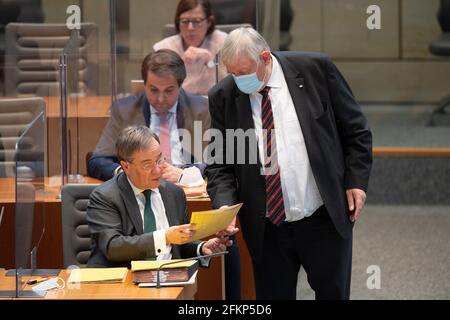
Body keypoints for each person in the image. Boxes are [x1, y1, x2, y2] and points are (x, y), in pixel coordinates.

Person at [205, 28, 373, 299]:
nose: (239, 80)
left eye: (245, 72)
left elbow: (356, 131)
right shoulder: (223, 96)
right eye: (233, 73)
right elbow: (219, 164)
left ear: (266, 57)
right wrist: (224, 206)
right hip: (268, 227)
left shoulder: (315, 70)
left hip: (323, 216)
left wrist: (356, 180)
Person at [86, 126, 231, 267]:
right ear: (126, 167)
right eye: (147, 165)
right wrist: (165, 237)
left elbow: (179, 245)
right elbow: (113, 247)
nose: (157, 171)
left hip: (168, 279)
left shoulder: (174, 193)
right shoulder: (105, 197)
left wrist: (202, 247)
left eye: (159, 160)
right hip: (124, 284)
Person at [88, 49, 210, 183]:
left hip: (186, 188)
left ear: (180, 86)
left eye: (169, 91)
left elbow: (214, 161)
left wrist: (186, 174)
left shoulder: (202, 110)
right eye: (154, 90)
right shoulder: (124, 111)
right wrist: (126, 174)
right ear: (144, 85)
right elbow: (97, 161)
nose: (161, 99)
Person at [153, 0, 227, 96]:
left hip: (215, 106)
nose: (190, 28)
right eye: (185, 21)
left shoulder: (223, 43)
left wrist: (210, 62)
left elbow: (229, 86)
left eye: (197, 21)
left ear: (209, 22)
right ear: (178, 22)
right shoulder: (165, 49)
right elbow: (159, 90)